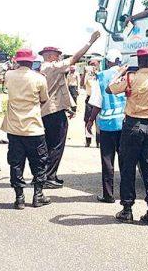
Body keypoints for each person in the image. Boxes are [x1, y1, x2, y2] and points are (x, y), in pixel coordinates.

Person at [108, 47, 148, 226]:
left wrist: (119, 72)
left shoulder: (130, 78)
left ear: (139, 61)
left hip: (132, 126)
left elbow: (109, 89)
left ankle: (127, 209)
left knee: (128, 168)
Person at [39, 30, 101, 189]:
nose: (59, 57)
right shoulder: (52, 67)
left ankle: (46, 175)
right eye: (57, 54)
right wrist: (90, 42)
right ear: (50, 55)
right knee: (56, 144)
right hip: (53, 111)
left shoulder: (43, 68)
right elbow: (75, 58)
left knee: (49, 143)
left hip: (48, 110)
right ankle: (48, 176)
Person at [1, 49, 52, 209]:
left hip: (14, 128)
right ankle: (38, 195)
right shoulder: (39, 78)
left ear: (17, 61)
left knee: (16, 163)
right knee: (39, 162)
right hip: (34, 127)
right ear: (31, 62)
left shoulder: (9, 75)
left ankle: (19, 198)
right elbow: (44, 99)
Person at [86, 49, 126, 203]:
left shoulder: (101, 77)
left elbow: (97, 102)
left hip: (107, 125)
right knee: (125, 161)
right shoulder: (127, 75)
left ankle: (108, 195)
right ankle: (125, 195)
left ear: (108, 62)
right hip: (124, 124)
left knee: (107, 161)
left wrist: (90, 120)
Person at [83, 59, 100, 148]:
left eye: (94, 64)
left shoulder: (101, 74)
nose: (92, 66)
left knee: (99, 121)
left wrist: (96, 72)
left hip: (98, 98)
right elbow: (82, 84)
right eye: (91, 64)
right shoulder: (87, 75)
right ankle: (88, 140)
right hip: (89, 99)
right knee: (87, 120)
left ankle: (98, 141)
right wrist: (84, 73)